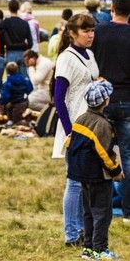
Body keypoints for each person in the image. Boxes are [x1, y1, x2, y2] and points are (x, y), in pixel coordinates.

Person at [52, 13, 99, 247]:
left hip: (91, 124)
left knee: (86, 182)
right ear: (72, 33)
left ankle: (81, 229)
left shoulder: (89, 54)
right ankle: (71, 234)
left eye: (92, 30)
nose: (91, 34)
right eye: (85, 30)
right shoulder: (66, 59)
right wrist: (70, 131)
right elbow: (58, 99)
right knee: (75, 182)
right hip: (74, 125)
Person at [65, 80, 123, 259]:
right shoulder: (103, 125)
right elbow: (104, 154)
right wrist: (116, 172)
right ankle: (100, 249)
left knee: (88, 212)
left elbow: (69, 143)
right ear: (105, 101)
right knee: (103, 214)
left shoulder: (80, 119)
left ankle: (88, 248)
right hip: (98, 176)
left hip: (81, 174)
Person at [92, 0, 130, 225]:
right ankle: (127, 209)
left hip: (103, 99)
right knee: (126, 155)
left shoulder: (100, 32)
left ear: (112, 8)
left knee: (100, 153)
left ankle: (101, 206)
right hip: (127, 99)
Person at [0, 0, 33, 76]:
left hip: (10, 53)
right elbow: (30, 43)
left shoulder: (6, 22)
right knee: (23, 79)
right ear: (18, 8)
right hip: (22, 53)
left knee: (11, 79)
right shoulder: (24, 23)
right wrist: (23, 45)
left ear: (9, 8)